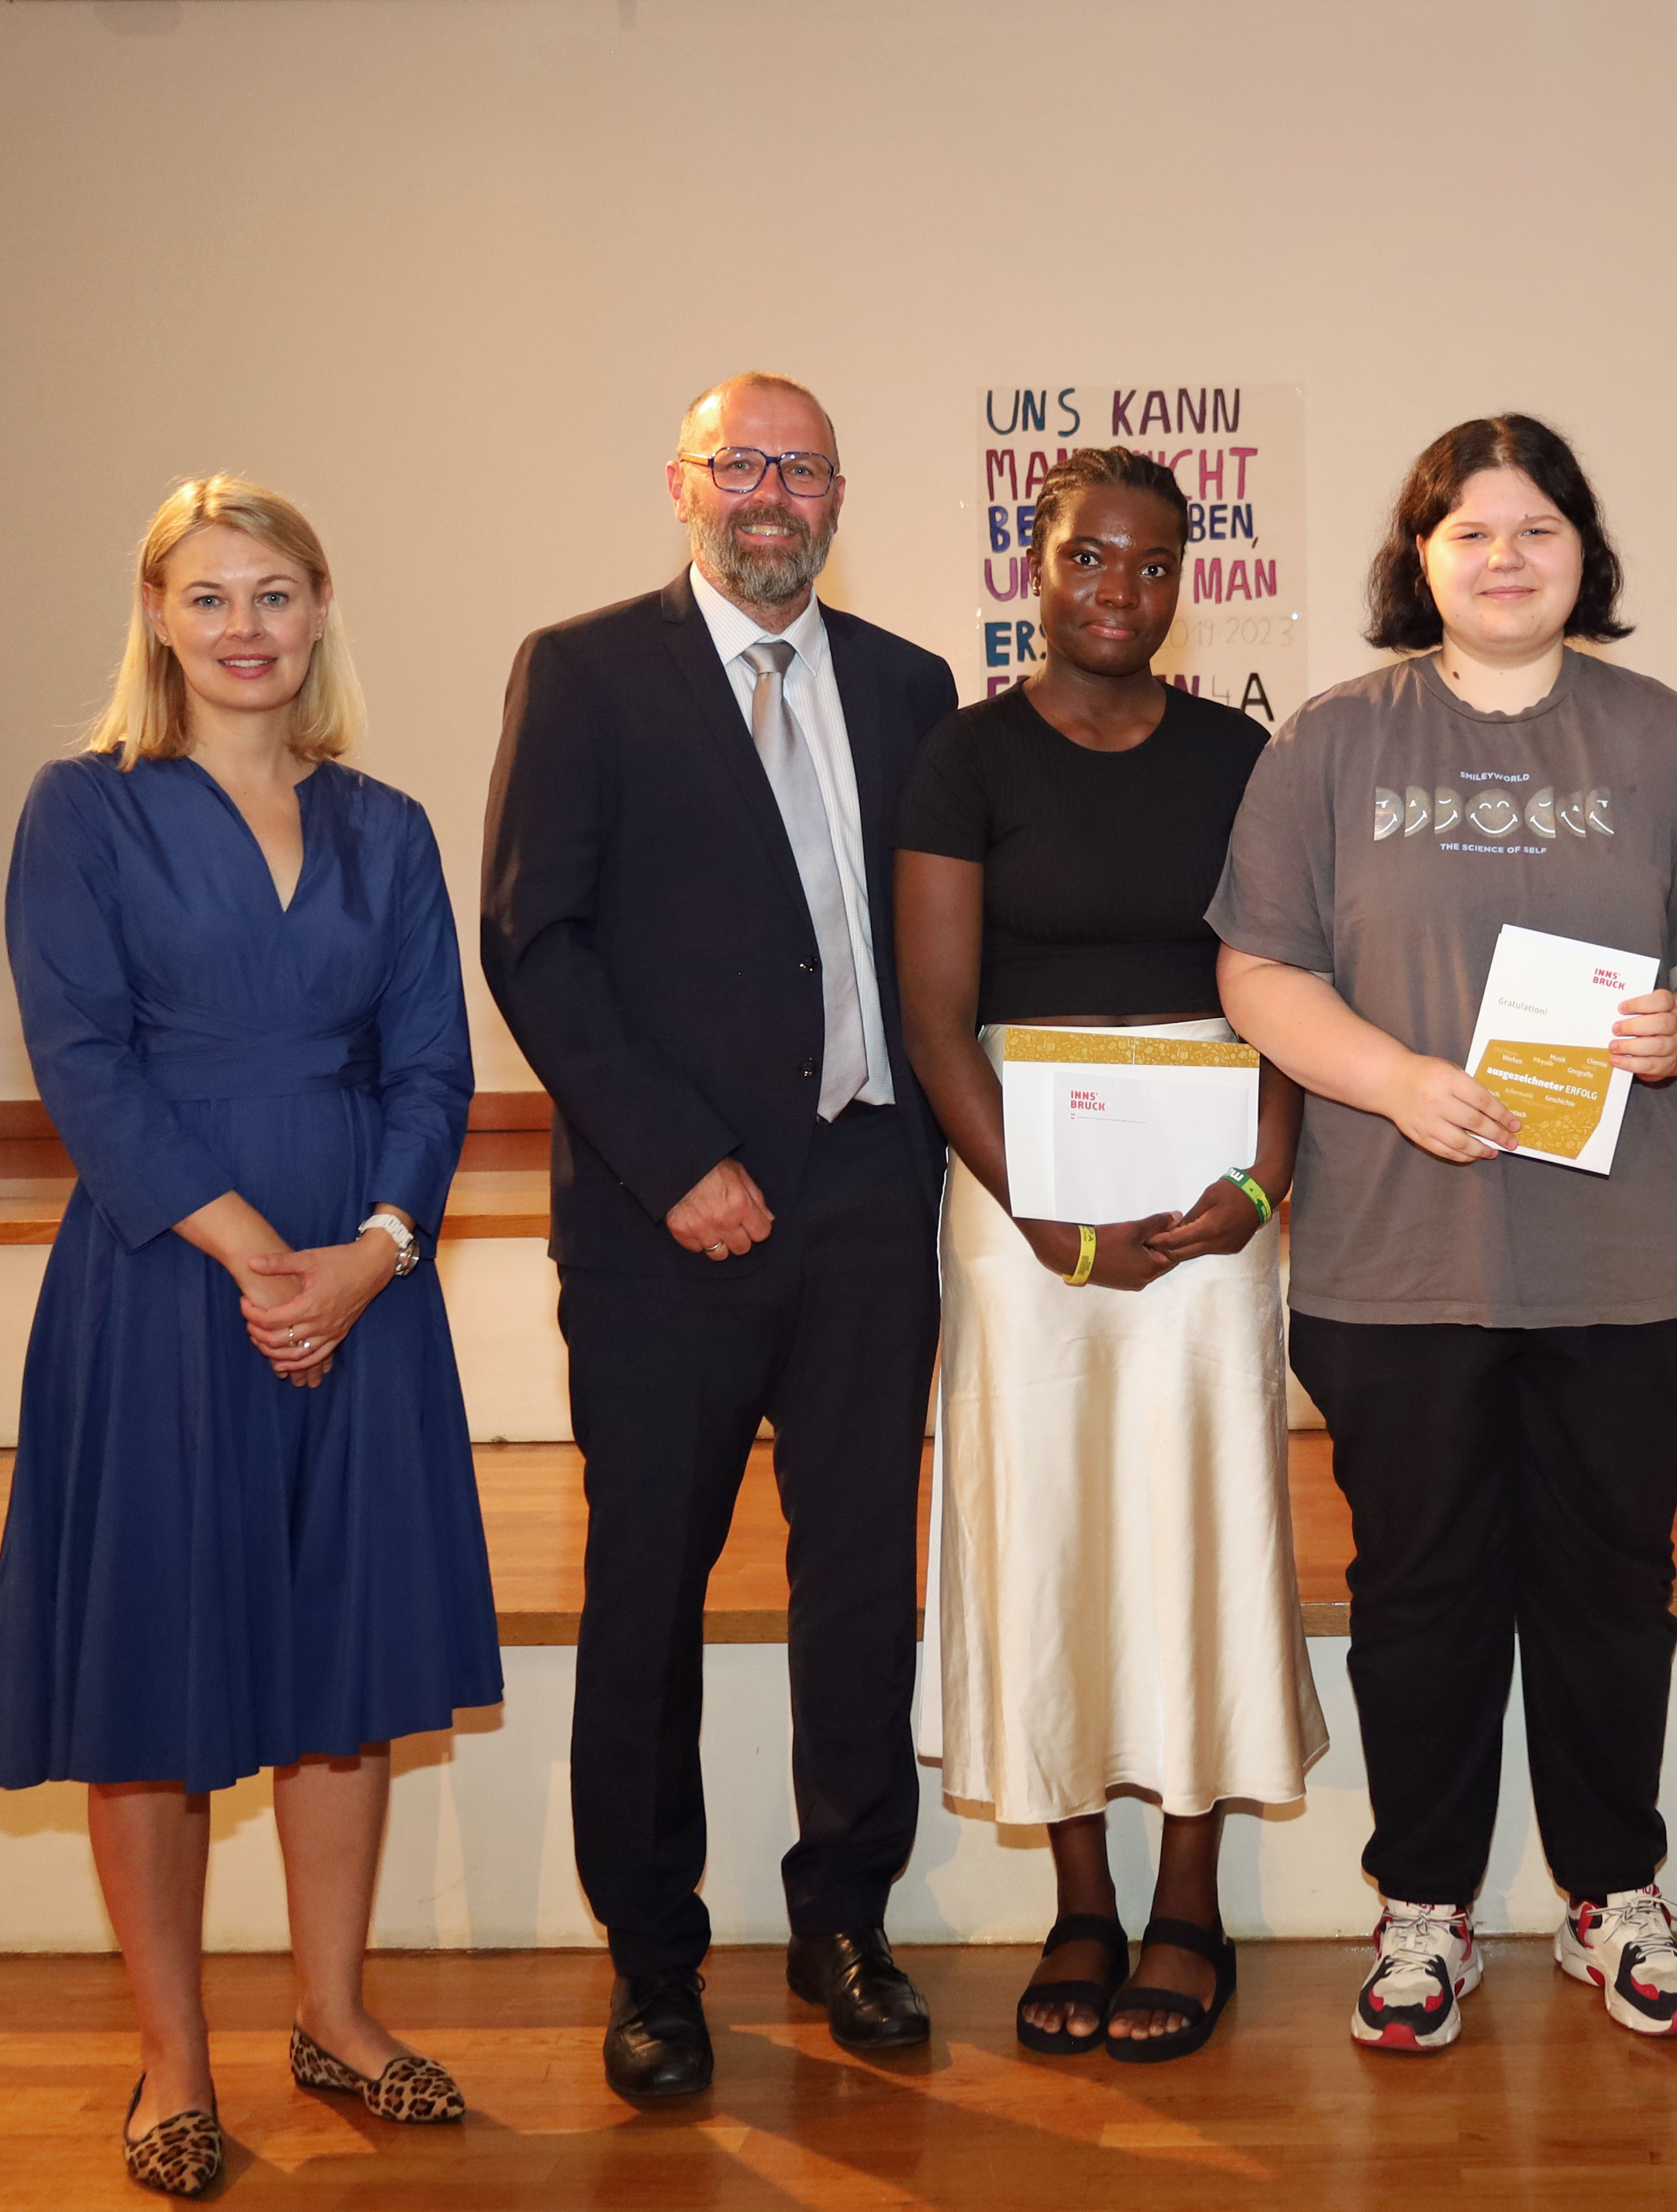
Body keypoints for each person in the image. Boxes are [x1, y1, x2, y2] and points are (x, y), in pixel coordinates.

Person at [1212, 415, 1677, 2050]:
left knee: (1611, 1584)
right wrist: (1393, 1079)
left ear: (1584, 556)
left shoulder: (1670, 742)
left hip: (1627, 1258)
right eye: (1472, 532)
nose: (1507, 556)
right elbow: (1259, 971)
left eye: (1539, 528)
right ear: (1421, 561)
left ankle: (1614, 1896)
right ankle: (1424, 1911)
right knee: (1420, 1593)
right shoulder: (1327, 744)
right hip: (1396, 1264)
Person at [0, 476, 499, 2195]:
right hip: (163, 1284)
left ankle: (336, 2016)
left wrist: (374, 1253)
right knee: (152, 1680)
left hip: (365, 1294)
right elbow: (83, 1061)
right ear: (159, 621)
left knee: (347, 1682)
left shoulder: (388, 825)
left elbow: (433, 1068)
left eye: (275, 594)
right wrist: (266, 1255)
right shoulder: (83, 811)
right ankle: (173, 2062)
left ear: (321, 613)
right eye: (210, 598)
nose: (245, 627)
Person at [480, 373, 958, 2099]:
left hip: (865, 1213)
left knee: (858, 1590)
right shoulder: (588, 670)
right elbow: (536, 942)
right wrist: (678, 1158)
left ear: (837, 495)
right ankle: (653, 1960)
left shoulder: (910, 686)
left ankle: (845, 1918)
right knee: (645, 1599)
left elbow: (938, 945)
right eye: (740, 465)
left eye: (800, 469)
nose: (771, 496)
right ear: (682, 482)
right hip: (661, 1224)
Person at [896, 446, 1324, 2063]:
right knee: (1051, 1524)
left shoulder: (1241, 757)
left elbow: (1287, 981)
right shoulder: (964, 759)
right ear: (1036, 559)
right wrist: (1043, 1209)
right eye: (1089, 559)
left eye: (1153, 567)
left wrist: (1265, 1183)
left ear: (1184, 583)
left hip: (1211, 1191)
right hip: (1024, 1197)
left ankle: (1191, 1899)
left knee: (1203, 1524)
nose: (1119, 594)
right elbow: (938, 1022)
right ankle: (1081, 1893)